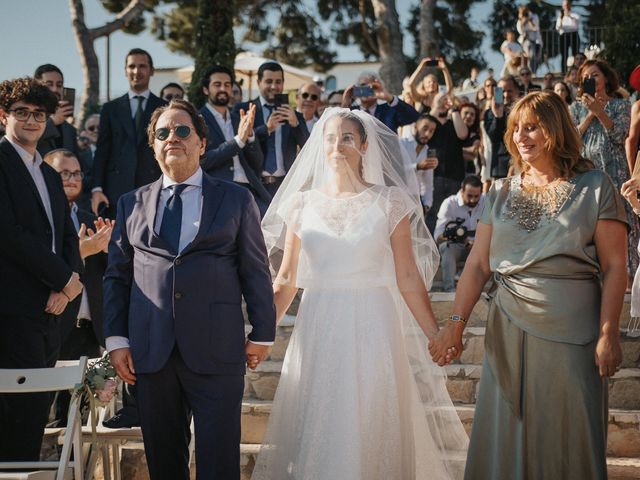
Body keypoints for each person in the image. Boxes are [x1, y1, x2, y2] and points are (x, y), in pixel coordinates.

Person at [254, 108, 468, 479]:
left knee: (371, 418)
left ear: (364, 145)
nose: (338, 146)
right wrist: (261, 334)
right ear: (320, 147)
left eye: (348, 138)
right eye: (331, 138)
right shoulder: (301, 205)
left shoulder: (390, 202)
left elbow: (406, 275)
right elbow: (286, 279)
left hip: (374, 325)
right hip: (320, 326)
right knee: (322, 420)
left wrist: (434, 332)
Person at [430, 91, 627, 479]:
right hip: (508, 329)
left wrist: (609, 333)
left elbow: (616, 265)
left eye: (532, 126)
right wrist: (455, 322)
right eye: (516, 128)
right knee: (507, 431)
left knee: (570, 432)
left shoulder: (596, 185)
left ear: (556, 129)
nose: (521, 135)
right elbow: (477, 264)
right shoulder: (499, 191)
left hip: (574, 331)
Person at [103, 99, 276, 480]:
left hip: (218, 349)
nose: (172, 138)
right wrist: (116, 338)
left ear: (201, 142)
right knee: (165, 462)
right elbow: (117, 276)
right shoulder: (130, 203)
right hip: (151, 352)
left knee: (219, 462)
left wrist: (263, 332)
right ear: (153, 146)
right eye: (162, 132)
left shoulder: (236, 199)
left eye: (183, 131)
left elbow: (255, 269)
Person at [0, 77, 84, 461]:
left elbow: (67, 235)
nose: (31, 120)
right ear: (5, 116)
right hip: (11, 310)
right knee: (11, 421)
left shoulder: (51, 174)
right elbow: (9, 234)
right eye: (22, 113)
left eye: (38, 114)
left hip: (51, 312)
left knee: (35, 416)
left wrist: (68, 287)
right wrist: (63, 279)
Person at [44, 148, 111, 424]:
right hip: (52, 326)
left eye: (76, 174)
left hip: (88, 331)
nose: (71, 179)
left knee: (78, 419)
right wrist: (81, 252)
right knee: (40, 408)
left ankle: (72, 468)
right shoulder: (41, 219)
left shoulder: (90, 220)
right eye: (63, 173)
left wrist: (108, 251)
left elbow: (106, 274)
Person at [569, 59, 638, 283]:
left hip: (616, 173)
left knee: (623, 223)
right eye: (586, 77)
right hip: (588, 175)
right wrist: (590, 113)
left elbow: (620, 136)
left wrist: (601, 112)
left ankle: (628, 278)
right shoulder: (575, 108)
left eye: (595, 75)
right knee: (592, 225)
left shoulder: (621, 105)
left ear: (606, 77)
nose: (591, 79)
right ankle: (596, 275)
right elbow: (572, 141)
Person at [91, 48, 166, 218]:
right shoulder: (110, 109)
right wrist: (97, 188)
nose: (136, 71)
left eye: (142, 66)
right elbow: (102, 151)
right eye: (132, 66)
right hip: (116, 193)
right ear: (125, 70)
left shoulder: (164, 108)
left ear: (151, 70)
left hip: (154, 189)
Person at [199, 65, 271, 215]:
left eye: (227, 85)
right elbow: (202, 160)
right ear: (206, 90)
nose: (223, 89)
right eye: (217, 85)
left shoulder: (239, 118)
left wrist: (250, 137)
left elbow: (257, 163)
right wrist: (238, 141)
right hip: (219, 191)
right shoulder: (197, 120)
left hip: (251, 190)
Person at [233, 61, 309, 196]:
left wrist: (295, 124)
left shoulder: (295, 115)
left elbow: (308, 146)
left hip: (285, 186)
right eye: (269, 81)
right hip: (253, 186)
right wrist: (266, 128)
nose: (274, 86)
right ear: (258, 82)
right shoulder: (243, 110)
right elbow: (239, 143)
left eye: (278, 81)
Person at [426, 92, 469, 232]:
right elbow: (425, 125)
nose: (443, 103)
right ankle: (432, 250)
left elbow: (463, 134)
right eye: (440, 101)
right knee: (433, 215)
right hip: (434, 176)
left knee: (454, 214)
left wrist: (454, 109)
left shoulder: (454, 123)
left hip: (454, 176)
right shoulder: (430, 123)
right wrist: (437, 106)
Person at [434, 175, 484, 292]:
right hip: (456, 245)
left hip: (479, 246)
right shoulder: (449, 203)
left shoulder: (486, 202)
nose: (473, 200)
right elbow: (438, 235)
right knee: (447, 248)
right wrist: (455, 236)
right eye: (469, 196)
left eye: (477, 196)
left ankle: (479, 289)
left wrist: (478, 244)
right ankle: (449, 289)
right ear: (462, 191)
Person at [341, 71, 419, 132]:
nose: (367, 88)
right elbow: (338, 127)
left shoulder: (389, 111)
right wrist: (345, 104)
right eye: (363, 85)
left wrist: (389, 98)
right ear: (356, 89)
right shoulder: (351, 112)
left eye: (372, 86)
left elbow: (414, 117)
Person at [34, 64, 81, 159]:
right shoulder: (26, 116)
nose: (55, 89)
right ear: (36, 85)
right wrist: (53, 122)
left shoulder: (70, 130)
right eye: (49, 84)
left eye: (59, 85)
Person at [400, 113, 439, 214]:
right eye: (424, 128)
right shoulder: (401, 144)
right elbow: (394, 170)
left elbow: (428, 183)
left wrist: (426, 205)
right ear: (415, 126)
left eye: (431, 131)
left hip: (415, 202)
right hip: (397, 198)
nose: (427, 134)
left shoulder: (428, 152)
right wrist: (417, 166)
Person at [484, 75, 521, 180]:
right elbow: (494, 138)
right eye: (501, 91)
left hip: (522, 164)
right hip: (500, 167)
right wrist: (498, 117)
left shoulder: (524, 112)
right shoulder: (490, 113)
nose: (505, 95)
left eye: (509, 91)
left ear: (517, 91)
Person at [556, 0, 581, 74]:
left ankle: (576, 70)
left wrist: (569, 16)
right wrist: (561, 18)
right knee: (564, 54)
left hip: (573, 34)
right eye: (564, 5)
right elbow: (558, 27)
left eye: (567, 5)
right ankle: (564, 71)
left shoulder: (574, 15)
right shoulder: (560, 17)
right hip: (564, 35)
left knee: (575, 53)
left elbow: (576, 24)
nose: (566, 7)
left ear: (569, 5)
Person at [516, 5, 542, 74]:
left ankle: (532, 71)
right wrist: (523, 21)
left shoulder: (534, 17)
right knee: (530, 56)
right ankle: (530, 72)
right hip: (526, 40)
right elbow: (520, 30)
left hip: (535, 40)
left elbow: (535, 28)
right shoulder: (520, 20)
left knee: (535, 57)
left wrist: (529, 20)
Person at [460, 102, 482, 174]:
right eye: (466, 113)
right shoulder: (451, 131)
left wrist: (455, 150)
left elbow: (473, 151)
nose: (469, 116)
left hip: (468, 172)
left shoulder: (475, 134)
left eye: (472, 114)